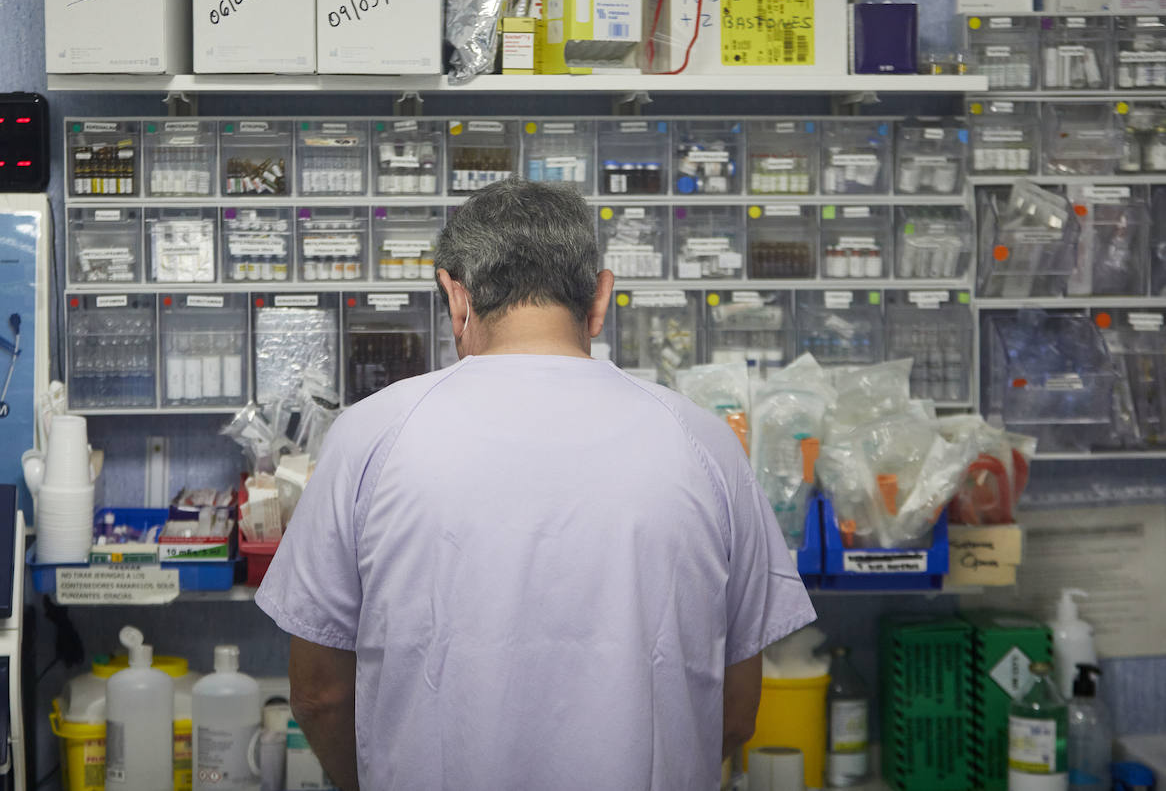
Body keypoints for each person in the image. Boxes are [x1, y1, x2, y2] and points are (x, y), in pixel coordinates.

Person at [255, 178, 816, 791]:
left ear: (455, 296)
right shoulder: (702, 443)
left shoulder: (370, 436)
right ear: (600, 297)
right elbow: (736, 712)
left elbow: (318, 694)